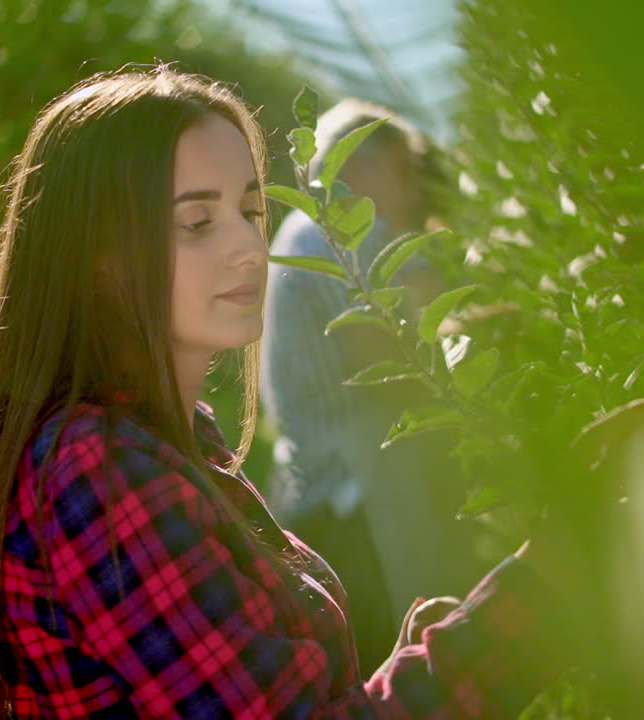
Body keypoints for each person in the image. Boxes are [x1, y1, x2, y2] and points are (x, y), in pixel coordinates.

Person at [0, 65, 568, 719]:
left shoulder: (173, 442)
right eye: (197, 222)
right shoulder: (98, 470)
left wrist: (420, 651)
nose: (248, 247)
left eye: (249, 210)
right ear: (98, 254)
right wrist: (547, 587)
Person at [261, 99, 478, 668]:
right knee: (394, 667)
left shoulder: (312, 232)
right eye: (406, 171)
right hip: (350, 508)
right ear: (362, 166)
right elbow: (393, 359)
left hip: (326, 490)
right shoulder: (336, 232)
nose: (415, 191)